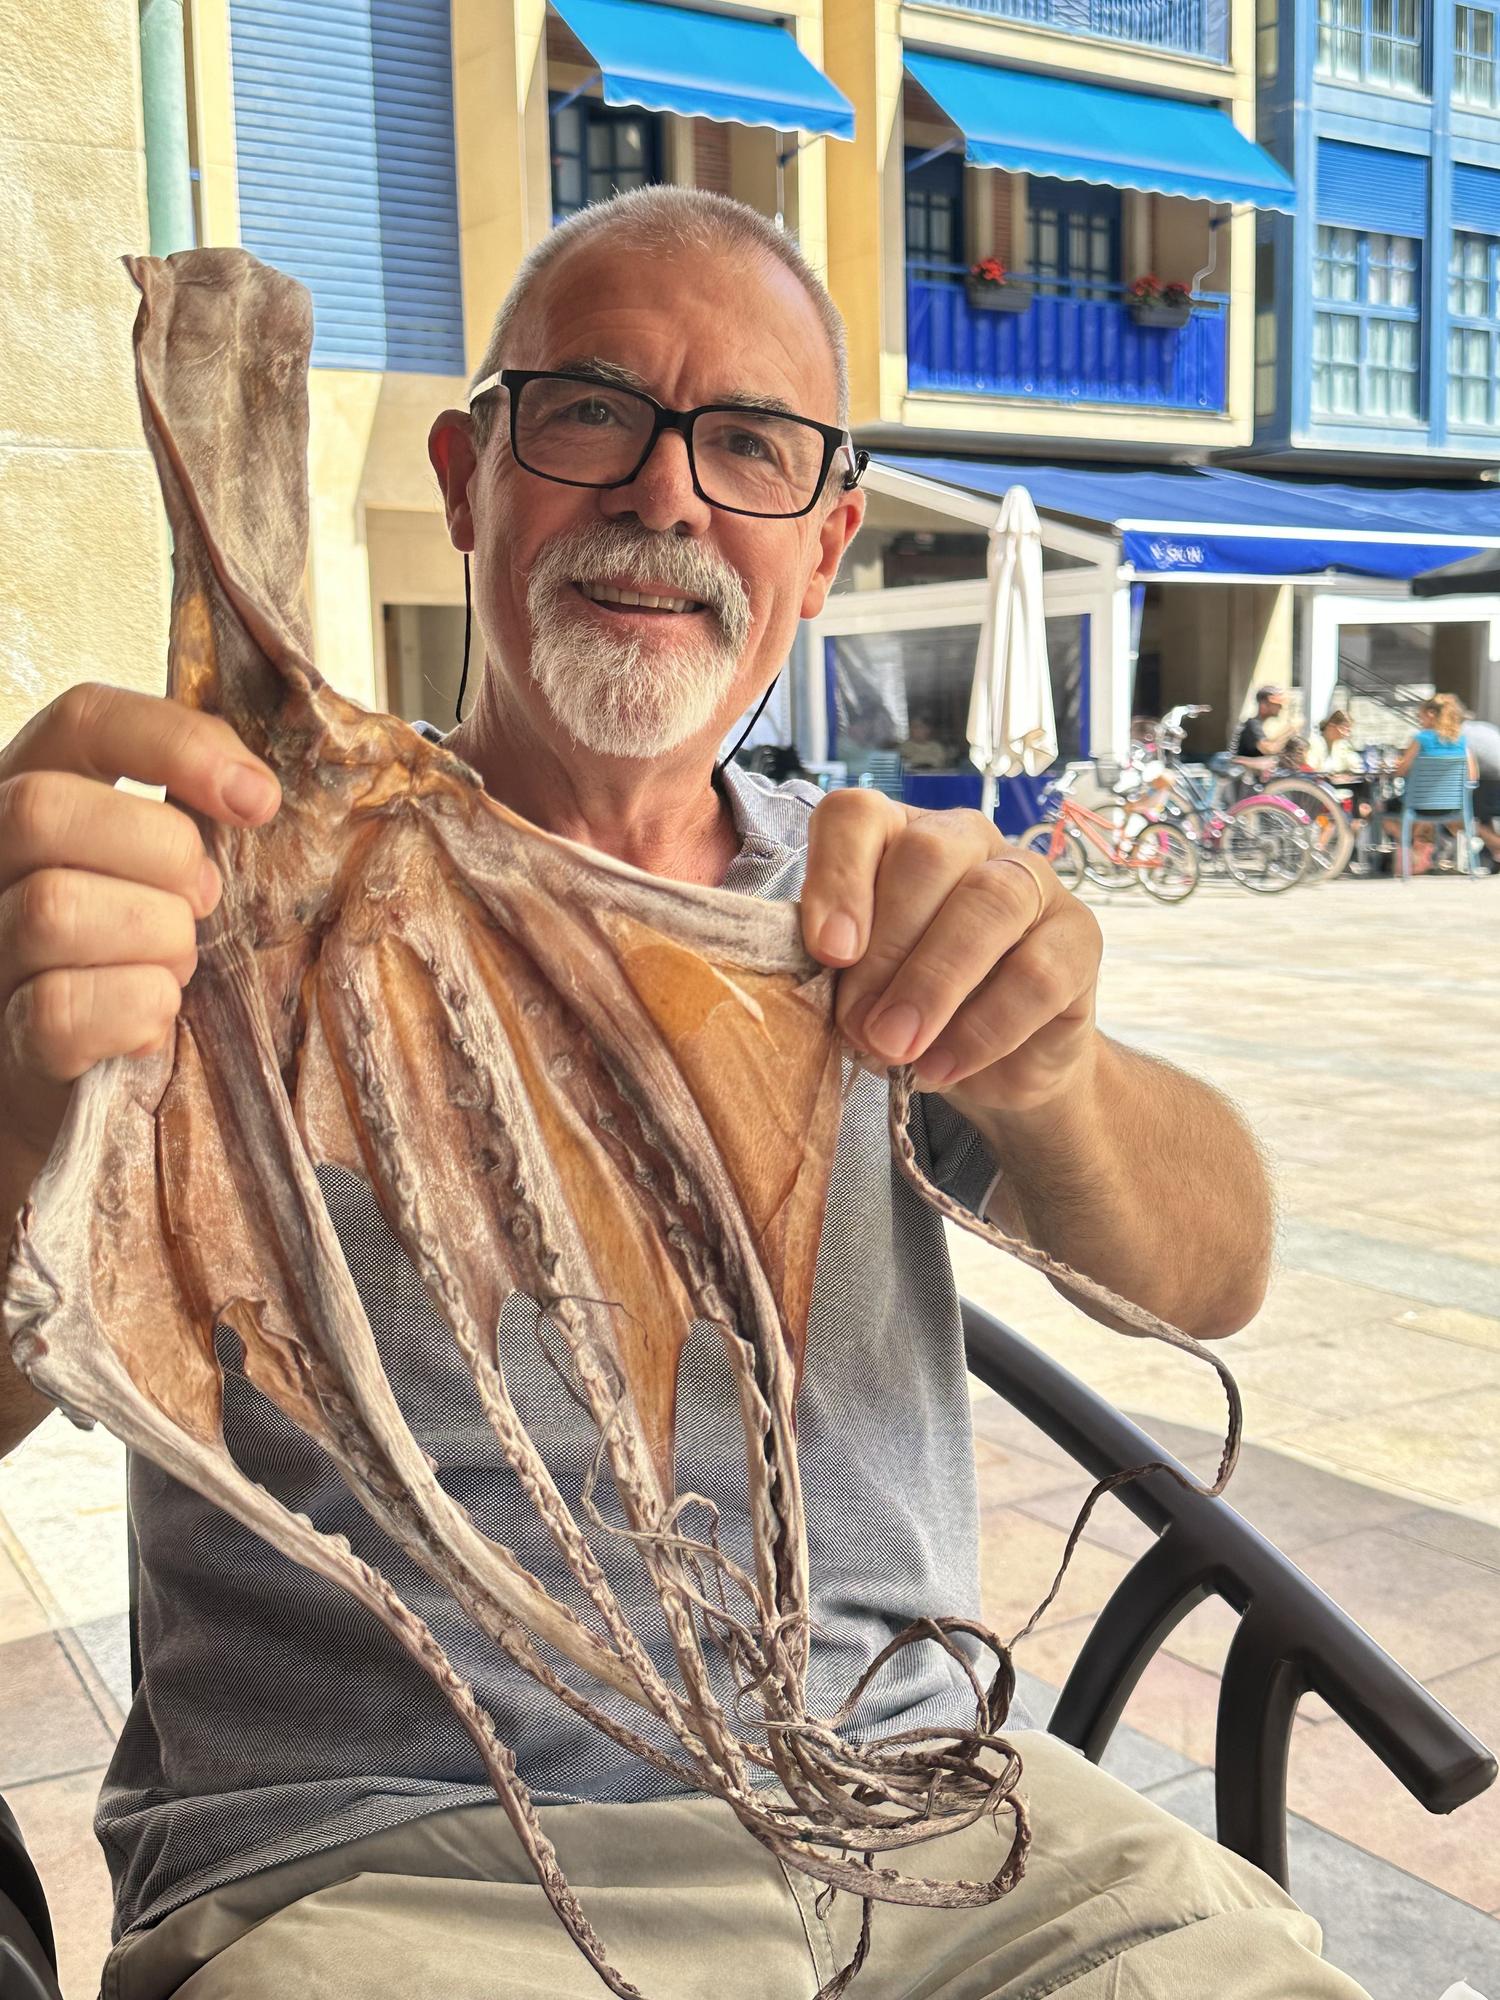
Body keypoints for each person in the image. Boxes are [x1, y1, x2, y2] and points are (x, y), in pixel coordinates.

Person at [0, 189, 1365, 2000]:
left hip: (937, 1827)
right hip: (397, 1860)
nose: (668, 495)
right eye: (592, 411)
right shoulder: (208, 903)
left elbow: (1213, 1275)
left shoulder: (872, 915)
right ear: (470, 481)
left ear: (826, 544)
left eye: (751, 446)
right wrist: (21, 1108)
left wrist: (1057, 1073)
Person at [1382, 692, 1500, 874]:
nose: (1419, 721)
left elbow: (1400, 771)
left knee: (1382, 810)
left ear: (1430, 714)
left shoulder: (1421, 738)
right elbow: (1472, 776)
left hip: (1418, 805)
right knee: (1458, 821)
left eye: (1419, 716)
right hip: (1454, 805)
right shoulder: (1461, 740)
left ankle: (1412, 856)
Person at [1230, 684, 1293, 779]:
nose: (1280, 708)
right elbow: (1269, 749)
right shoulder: (1252, 725)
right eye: (1276, 705)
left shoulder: (1258, 725)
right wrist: (1289, 731)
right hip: (1243, 781)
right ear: (1264, 705)